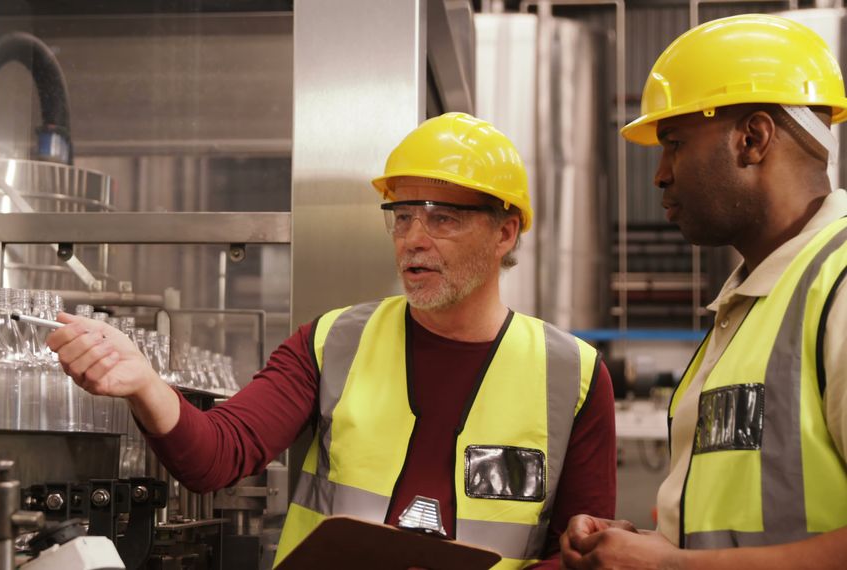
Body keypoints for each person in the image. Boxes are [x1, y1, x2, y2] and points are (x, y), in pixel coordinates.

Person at [48, 112, 616, 569]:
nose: (414, 239)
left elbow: (584, 554)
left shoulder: (573, 375)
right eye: (401, 217)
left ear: (505, 232)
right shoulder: (333, 341)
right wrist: (145, 385)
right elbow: (219, 454)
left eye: (443, 219)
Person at [562, 14, 847, 569]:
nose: (659, 175)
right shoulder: (751, 303)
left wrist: (672, 567)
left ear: (753, 138)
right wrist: (656, 543)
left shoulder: (839, 285)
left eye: (674, 143)